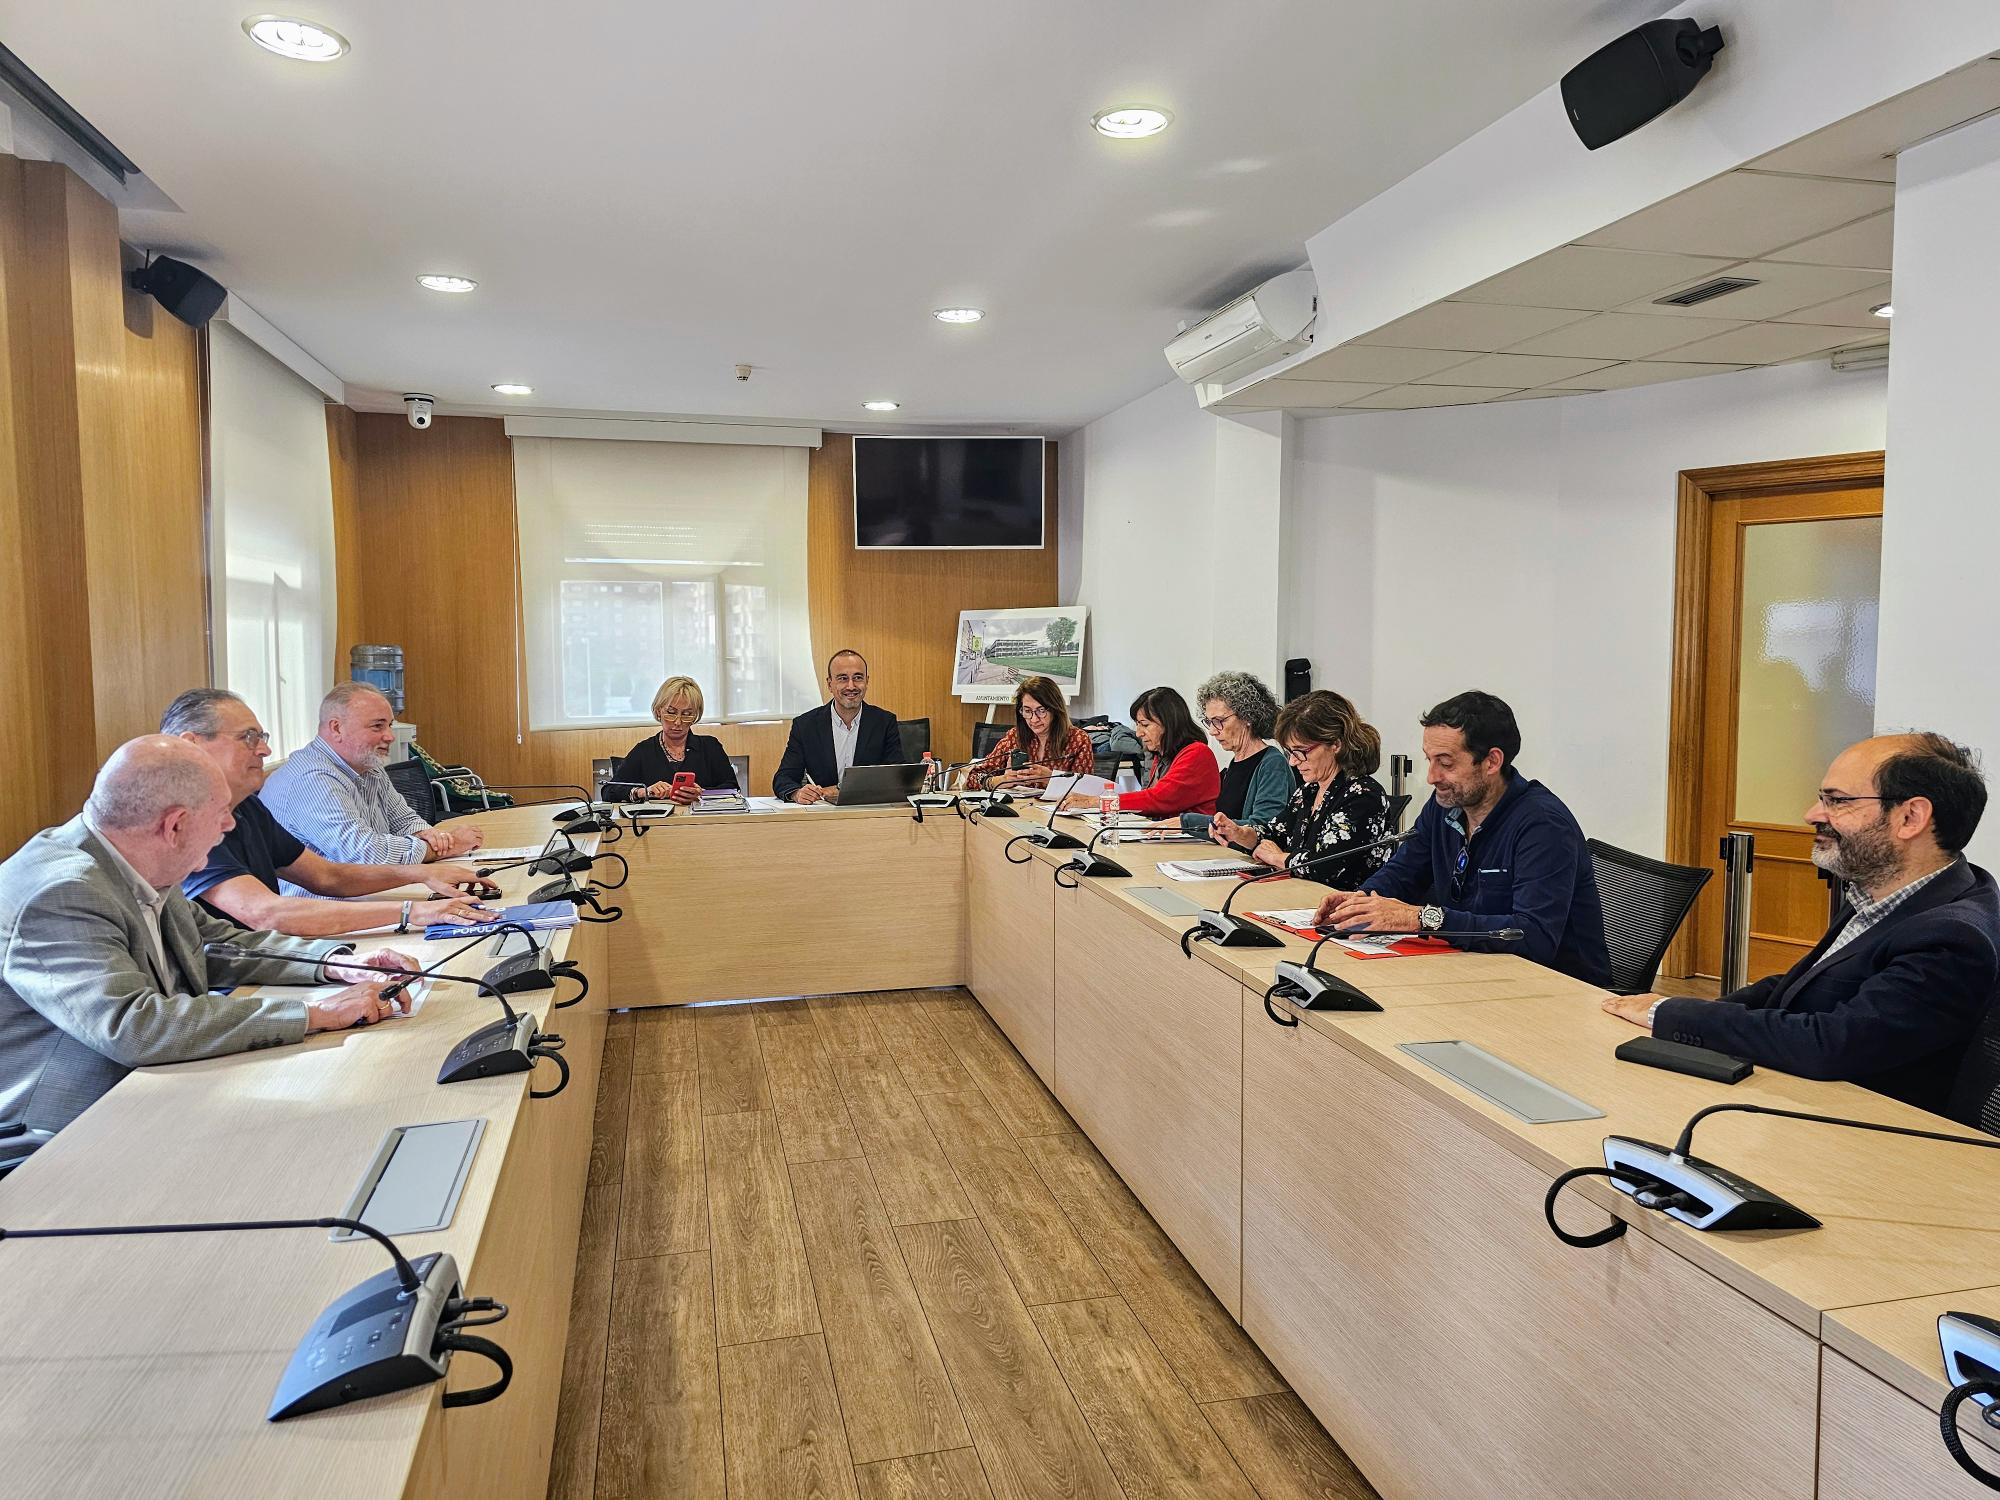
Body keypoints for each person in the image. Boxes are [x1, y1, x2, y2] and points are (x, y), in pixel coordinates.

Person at [0, 737, 421, 1135]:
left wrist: (337, 964)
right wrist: (317, 1013)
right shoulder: (63, 892)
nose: (230, 824)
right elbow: (134, 1026)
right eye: (221, 812)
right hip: (70, 1128)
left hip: (161, 1084)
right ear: (175, 826)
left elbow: (218, 943)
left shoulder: (136, 858)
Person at [1605, 733, 2000, 1114]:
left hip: (1861, 1132)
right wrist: (1680, 1013)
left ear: (1910, 817)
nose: (1812, 815)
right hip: (1799, 1098)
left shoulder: (1953, 937)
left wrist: (1671, 1014)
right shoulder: (1884, 890)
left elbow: (1831, 1045)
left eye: (1837, 801)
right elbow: (1803, 986)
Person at [1313, 690, 1610, 985]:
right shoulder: (1444, 806)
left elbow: (1533, 937)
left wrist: (1423, 918)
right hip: (1472, 970)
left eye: (1446, 763)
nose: (1431, 777)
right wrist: (1361, 901)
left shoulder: (1544, 825)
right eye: (1429, 760)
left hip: (1556, 988)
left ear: (1491, 762)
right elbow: (1404, 872)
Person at [162, 688, 495, 936]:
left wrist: (421, 875)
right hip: (249, 975)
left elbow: (327, 876)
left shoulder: (246, 806)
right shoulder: (184, 821)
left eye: (262, 736)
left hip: (279, 955)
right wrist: (411, 911)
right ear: (192, 744)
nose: (265, 749)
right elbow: (266, 915)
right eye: (249, 738)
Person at [263, 682, 483, 877]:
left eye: (389, 725)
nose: (390, 736)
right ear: (336, 728)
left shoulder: (369, 765)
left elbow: (404, 820)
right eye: (377, 726)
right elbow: (365, 855)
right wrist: (445, 847)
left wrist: (432, 836)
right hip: (327, 905)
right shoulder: (311, 779)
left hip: (368, 894)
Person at [1218, 690, 1392, 887]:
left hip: (1344, 901)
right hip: (1300, 895)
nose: (1292, 762)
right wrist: (1240, 834)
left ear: (1335, 744)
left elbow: (1324, 866)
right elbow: (1275, 834)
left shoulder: (1363, 795)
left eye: (1300, 751)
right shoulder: (1308, 791)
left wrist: (1278, 858)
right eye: (1290, 752)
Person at [773, 649, 904, 803]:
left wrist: (838, 789)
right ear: (830, 684)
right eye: (843, 678)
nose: (851, 686)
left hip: (869, 810)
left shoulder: (885, 722)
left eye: (858, 678)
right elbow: (783, 778)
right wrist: (797, 793)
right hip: (823, 812)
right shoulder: (805, 726)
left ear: (867, 681)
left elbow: (897, 778)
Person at [1071, 686, 1218, 819]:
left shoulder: (1197, 753)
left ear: (1169, 724)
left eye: (1145, 725)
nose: (1138, 733)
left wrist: (1096, 802)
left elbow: (1158, 799)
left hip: (1190, 838)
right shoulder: (1161, 755)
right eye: (1137, 724)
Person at [1193, 670, 1298, 842]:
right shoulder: (1234, 763)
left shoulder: (1273, 764)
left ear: (1247, 716)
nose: (1212, 731)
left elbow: (1262, 827)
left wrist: (1187, 822)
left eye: (1219, 721)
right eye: (1209, 722)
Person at [613, 676, 739, 805]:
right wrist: (642, 792)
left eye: (687, 714)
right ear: (658, 711)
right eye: (671, 712)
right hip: (659, 818)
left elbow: (733, 788)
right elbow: (609, 790)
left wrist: (702, 794)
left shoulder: (710, 747)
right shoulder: (644, 750)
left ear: (695, 716)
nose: (678, 722)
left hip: (699, 817)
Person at [966, 675, 1095, 791]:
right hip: (1017, 808)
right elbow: (973, 777)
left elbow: (1088, 789)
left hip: (1058, 809)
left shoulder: (1078, 739)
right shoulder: (1014, 737)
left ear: (1055, 709)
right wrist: (1002, 780)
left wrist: (1051, 778)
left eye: (1041, 710)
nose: (1034, 719)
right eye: (1027, 711)